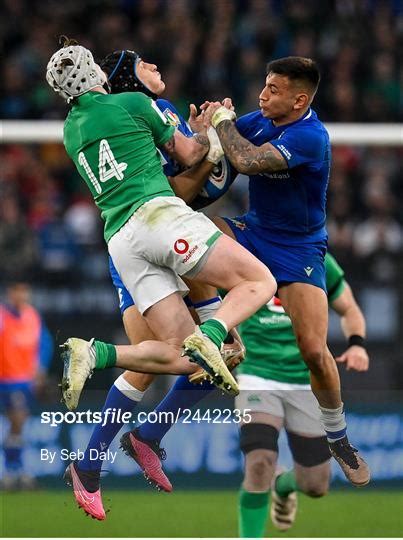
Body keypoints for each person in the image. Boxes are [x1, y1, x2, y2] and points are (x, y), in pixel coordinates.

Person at [45, 36, 276, 509]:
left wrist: (199, 146)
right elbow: (186, 182)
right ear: (116, 78)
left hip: (124, 235)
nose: (154, 64)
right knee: (221, 326)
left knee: (211, 356)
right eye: (142, 63)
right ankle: (93, 460)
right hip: (161, 225)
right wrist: (212, 139)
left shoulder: (73, 128)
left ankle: (140, 427)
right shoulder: (141, 106)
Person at [200, 56, 370, 486]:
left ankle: (338, 435)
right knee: (191, 240)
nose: (262, 94)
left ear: (298, 100)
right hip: (256, 233)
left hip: (300, 248)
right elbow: (224, 144)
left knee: (313, 350)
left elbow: (249, 160)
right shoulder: (261, 119)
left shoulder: (310, 136)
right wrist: (202, 130)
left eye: (273, 90)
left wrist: (223, 125)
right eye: (264, 85)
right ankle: (220, 331)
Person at [236, 253, 369, 537]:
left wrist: (357, 344)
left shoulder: (318, 259)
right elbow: (206, 298)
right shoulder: (242, 251)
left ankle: (282, 485)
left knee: (315, 484)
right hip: (256, 372)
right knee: (259, 462)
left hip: (306, 379)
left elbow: (349, 310)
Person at [0, 279, 53, 490]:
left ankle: (14, 470)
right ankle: (15, 469)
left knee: (18, 424)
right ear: (9, 294)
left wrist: (40, 368)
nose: (21, 296)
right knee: (18, 420)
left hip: (24, 380)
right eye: (17, 292)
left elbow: (45, 343)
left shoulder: (32, 316)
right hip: (7, 379)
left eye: (25, 292)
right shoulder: (3, 317)